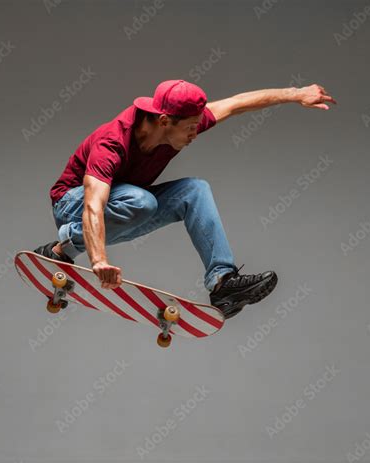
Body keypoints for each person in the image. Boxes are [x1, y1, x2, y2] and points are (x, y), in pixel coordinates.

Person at [35, 79, 336, 318]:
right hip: (72, 206)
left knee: (195, 190)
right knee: (142, 201)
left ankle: (222, 284)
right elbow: (93, 203)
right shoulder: (112, 142)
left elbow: (236, 104)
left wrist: (296, 94)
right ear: (164, 120)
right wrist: (98, 259)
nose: (195, 133)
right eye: (190, 127)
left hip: (125, 204)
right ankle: (62, 249)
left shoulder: (178, 124)